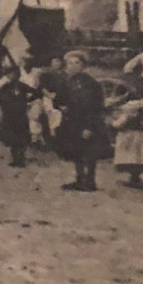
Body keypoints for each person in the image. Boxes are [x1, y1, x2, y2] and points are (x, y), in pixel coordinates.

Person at [53, 50, 109, 191]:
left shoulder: (90, 83)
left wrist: (88, 127)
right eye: (70, 63)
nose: (72, 66)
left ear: (83, 65)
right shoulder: (68, 82)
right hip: (72, 122)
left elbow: (95, 107)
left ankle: (90, 182)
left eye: (76, 63)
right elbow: (58, 99)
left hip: (88, 122)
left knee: (89, 152)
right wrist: (61, 106)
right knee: (76, 150)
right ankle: (79, 180)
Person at [0, 65, 42, 167]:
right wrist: (6, 104)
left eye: (15, 74)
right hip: (9, 116)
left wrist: (26, 101)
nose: (13, 76)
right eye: (10, 74)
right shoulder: (5, 87)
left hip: (20, 115)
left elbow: (36, 93)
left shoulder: (22, 86)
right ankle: (15, 159)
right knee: (12, 138)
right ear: (7, 75)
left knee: (21, 137)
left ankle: (21, 159)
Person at [111, 93, 143, 188]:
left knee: (129, 156)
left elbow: (119, 123)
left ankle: (133, 177)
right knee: (139, 156)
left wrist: (112, 122)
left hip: (128, 135)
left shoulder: (126, 110)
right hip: (141, 135)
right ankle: (136, 176)